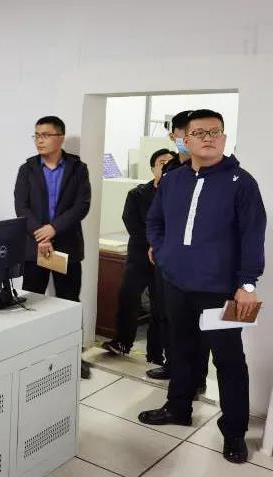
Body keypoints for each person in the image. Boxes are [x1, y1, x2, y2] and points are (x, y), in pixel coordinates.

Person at [139, 109, 266, 464]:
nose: (208, 138)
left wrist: (247, 284)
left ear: (223, 138)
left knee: (228, 360)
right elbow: (154, 222)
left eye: (215, 131)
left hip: (222, 291)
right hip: (177, 284)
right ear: (185, 140)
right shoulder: (173, 181)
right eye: (199, 132)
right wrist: (163, 252)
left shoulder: (241, 182)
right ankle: (178, 407)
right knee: (180, 349)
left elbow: (253, 236)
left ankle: (234, 430)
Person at [15, 116, 92, 377]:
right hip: (35, 246)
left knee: (69, 301)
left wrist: (54, 228)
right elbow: (21, 207)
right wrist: (42, 234)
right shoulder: (27, 169)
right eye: (36, 135)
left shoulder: (77, 168)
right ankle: (30, 353)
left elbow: (81, 206)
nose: (40, 140)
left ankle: (73, 355)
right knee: (32, 301)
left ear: (60, 137)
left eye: (45, 135)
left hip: (67, 245)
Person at [146, 110, 210, 386]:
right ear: (175, 136)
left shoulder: (210, 171)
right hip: (168, 257)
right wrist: (157, 244)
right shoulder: (171, 169)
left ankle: (197, 377)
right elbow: (159, 214)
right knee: (168, 315)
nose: (189, 139)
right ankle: (174, 366)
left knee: (198, 322)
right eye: (185, 134)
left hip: (198, 262)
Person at [103, 149, 172, 356]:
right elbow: (131, 222)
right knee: (128, 296)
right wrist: (153, 242)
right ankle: (122, 342)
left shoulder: (179, 196)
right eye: (162, 163)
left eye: (171, 163)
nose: (167, 167)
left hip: (165, 258)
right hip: (139, 255)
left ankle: (155, 353)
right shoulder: (137, 194)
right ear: (152, 168)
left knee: (160, 306)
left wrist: (160, 246)